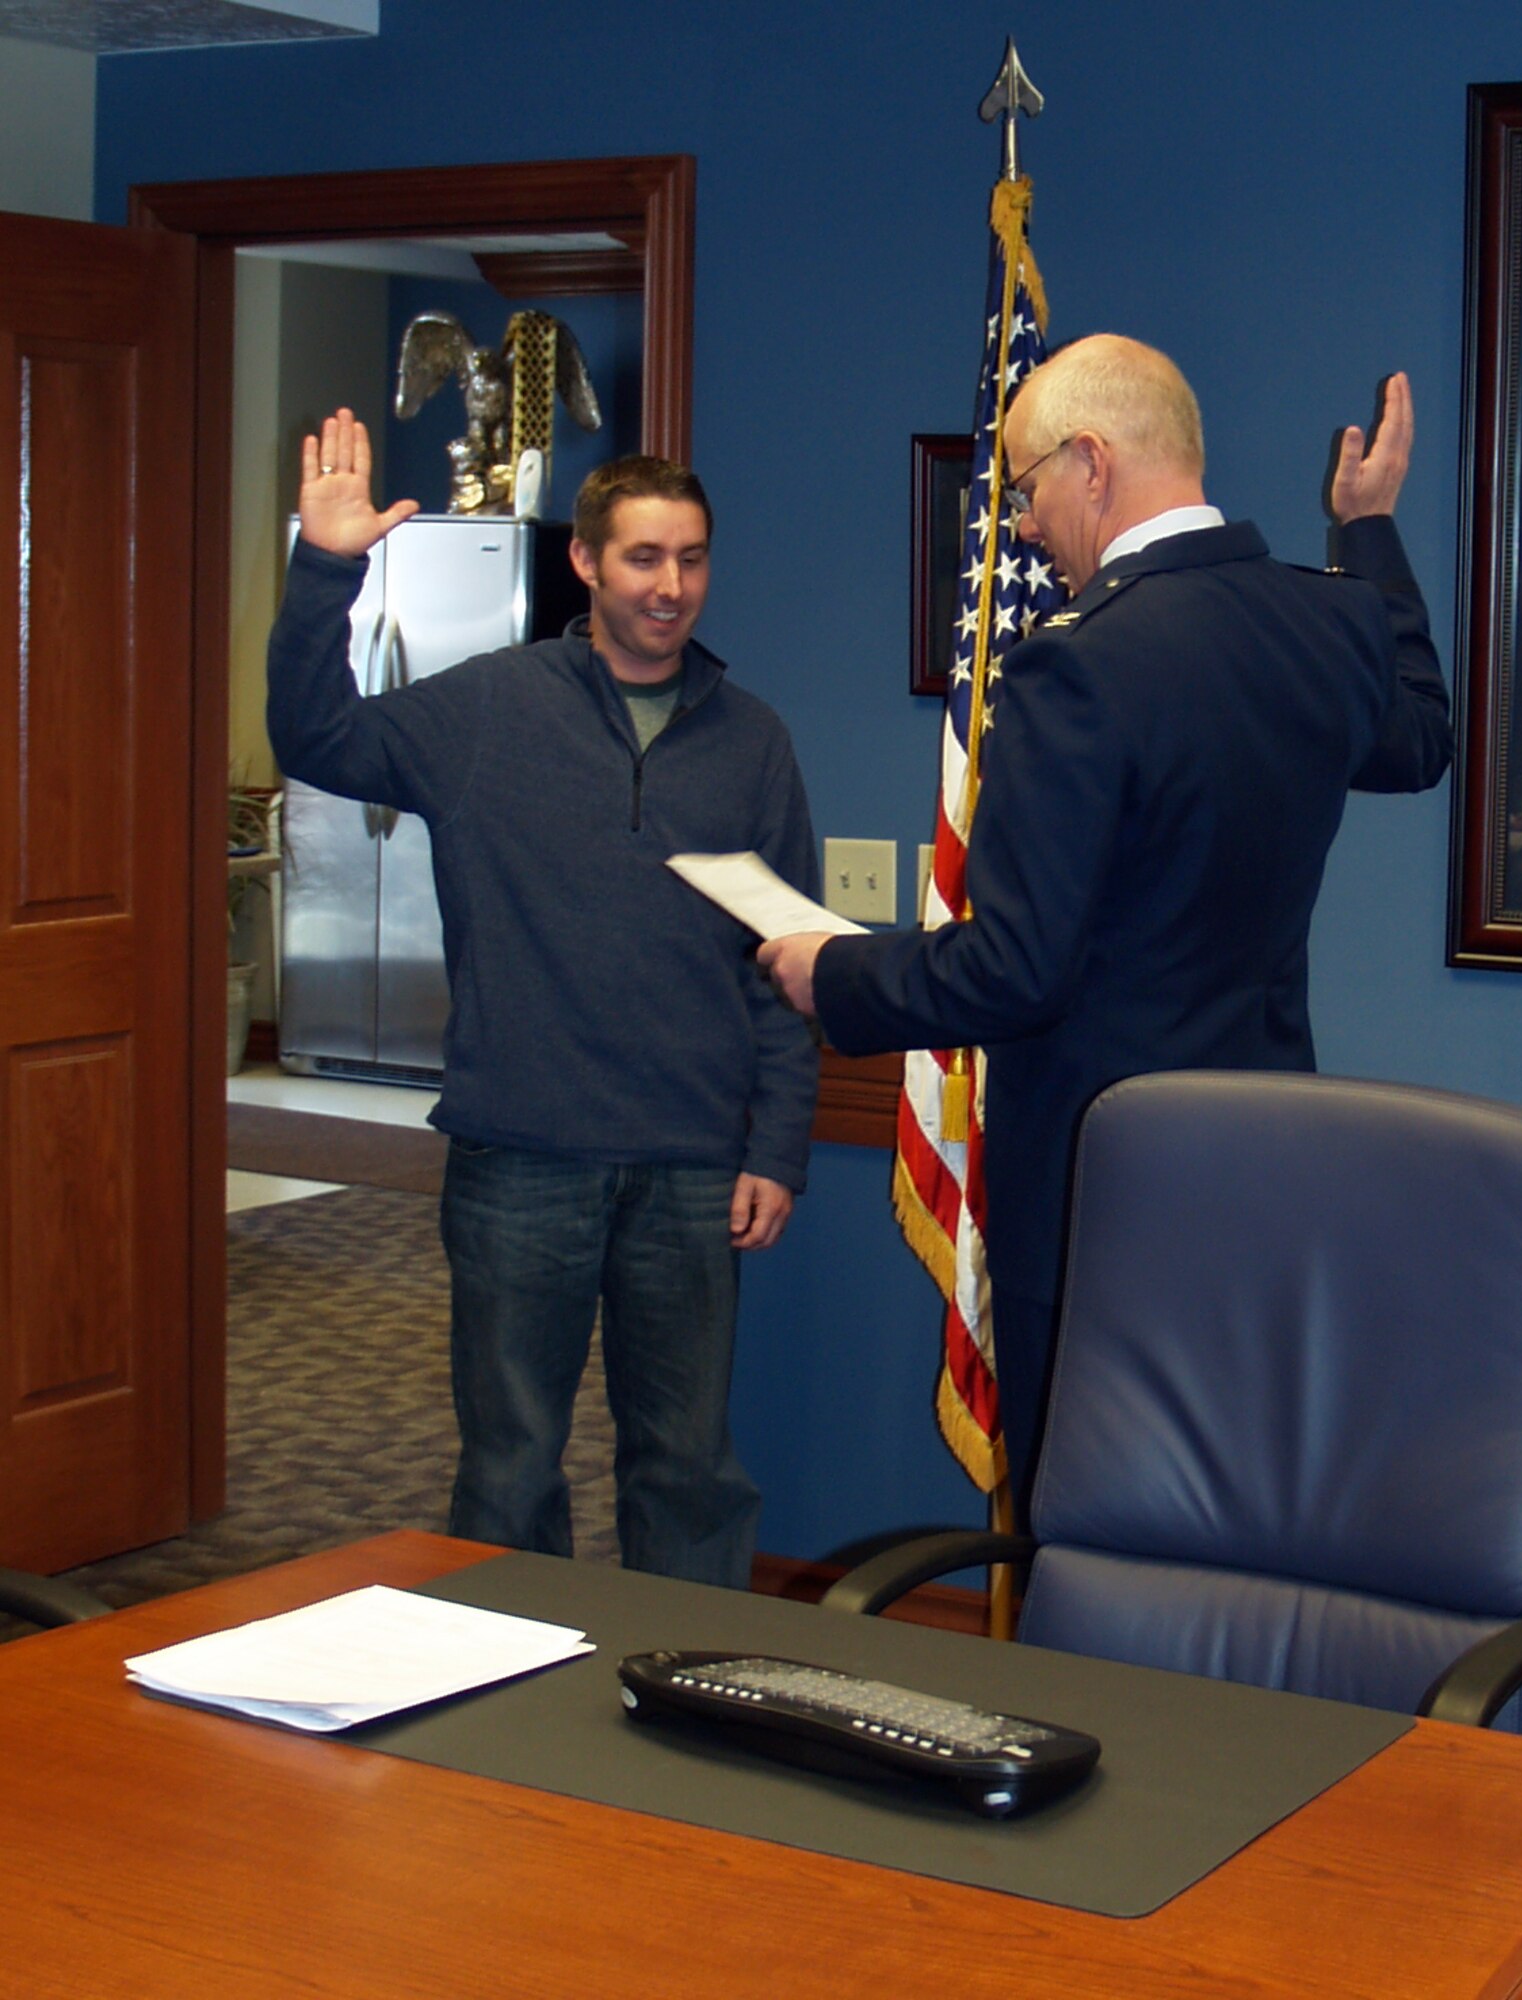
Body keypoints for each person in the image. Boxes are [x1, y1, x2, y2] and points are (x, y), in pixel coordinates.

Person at [759, 337, 1451, 1517]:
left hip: (1099, 1195)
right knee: (1225, 1525)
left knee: (1086, 1537)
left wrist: (838, 974)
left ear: (1092, 462)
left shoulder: (1075, 668)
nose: (1024, 527)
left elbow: (1017, 969)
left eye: (1026, 491)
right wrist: (1369, 530)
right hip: (1267, 1170)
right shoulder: (1328, 623)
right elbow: (1423, 739)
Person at [267, 408, 819, 1587]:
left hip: (691, 1163)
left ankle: (694, 1691)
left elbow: (788, 963)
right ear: (584, 560)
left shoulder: (755, 742)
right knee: (511, 1466)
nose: (671, 588)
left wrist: (777, 1143)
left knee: (688, 1466)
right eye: (642, 557)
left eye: (692, 559)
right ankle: (502, 1696)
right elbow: (312, 732)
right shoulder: (487, 709)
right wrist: (327, 568)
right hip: (523, 1156)